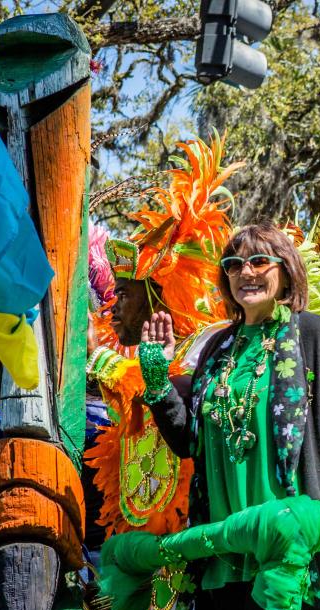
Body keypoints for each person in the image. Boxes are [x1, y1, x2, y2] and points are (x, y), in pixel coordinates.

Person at [140, 223, 320, 610]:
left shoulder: (312, 335)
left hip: (285, 552)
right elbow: (188, 445)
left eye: (260, 261)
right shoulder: (216, 349)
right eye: (234, 265)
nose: (247, 272)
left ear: (286, 272)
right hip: (221, 553)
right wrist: (159, 382)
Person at [83, 136, 237, 537]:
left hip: (185, 533)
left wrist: (101, 358)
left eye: (124, 294)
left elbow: (159, 402)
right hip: (142, 533)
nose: (110, 307)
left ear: (155, 297)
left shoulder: (208, 342)